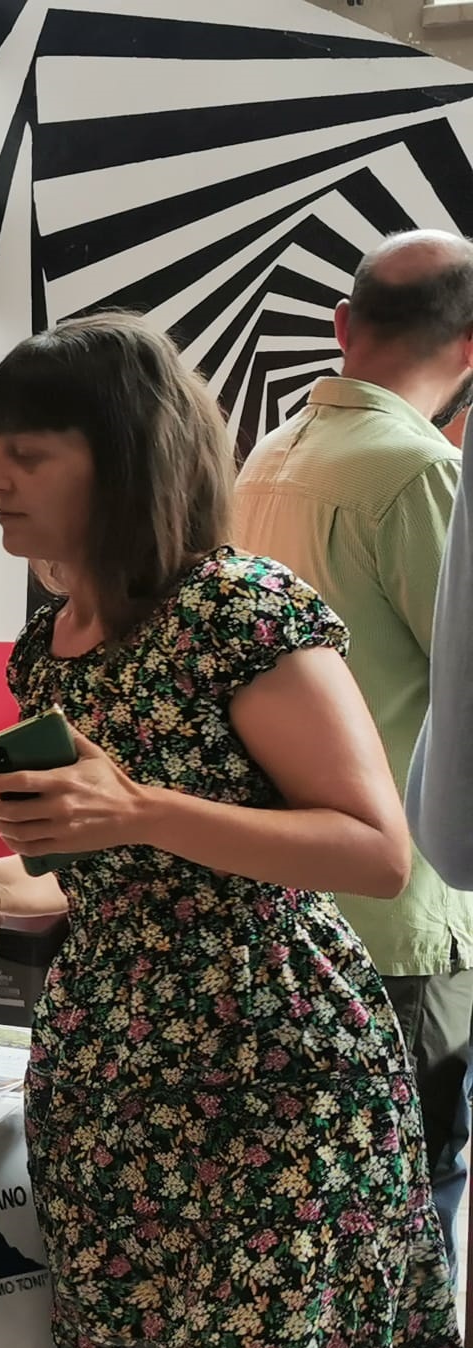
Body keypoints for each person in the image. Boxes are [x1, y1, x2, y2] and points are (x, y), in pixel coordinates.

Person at [0, 312, 463, 1348]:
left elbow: (373, 847)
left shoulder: (240, 612)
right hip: (108, 1080)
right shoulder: (50, 649)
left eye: (26, 454)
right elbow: (102, 878)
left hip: (270, 1075)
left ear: (124, 460)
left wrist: (138, 809)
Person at [233, 228, 473, 1271]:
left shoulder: (272, 457)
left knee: (315, 1221)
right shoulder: (420, 471)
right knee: (412, 1218)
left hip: (285, 902)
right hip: (396, 915)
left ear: (342, 326)